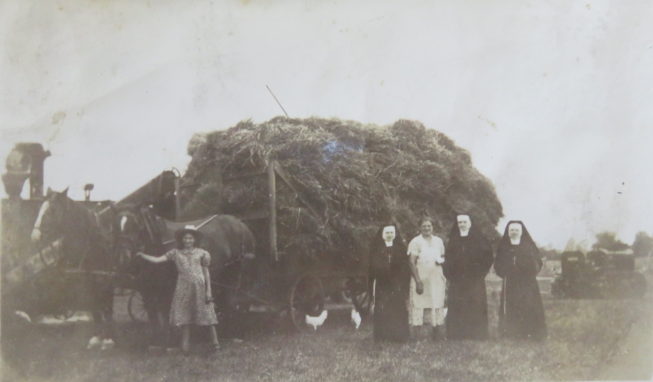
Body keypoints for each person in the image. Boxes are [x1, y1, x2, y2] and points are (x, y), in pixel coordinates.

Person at [137, 225, 220, 354]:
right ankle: (185, 346)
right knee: (184, 317)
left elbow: (206, 273)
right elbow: (158, 260)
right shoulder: (175, 253)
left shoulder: (202, 253)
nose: (188, 241)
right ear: (182, 240)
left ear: (194, 240)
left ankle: (215, 344)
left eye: (190, 238)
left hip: (200, 287)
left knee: (207, 315)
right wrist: (143, 255)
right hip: (183, 288)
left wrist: (208, 291)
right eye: (185, 238)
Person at [443, 214, 494, 340]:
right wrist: (450, 274)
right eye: (459, 222)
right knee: (458, 304)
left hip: (474, 279)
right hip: (457, 280)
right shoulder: (453, 239)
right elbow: (448, 258)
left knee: (475, 305)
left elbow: (488, 257)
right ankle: (457, 334)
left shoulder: (479, 239)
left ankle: (476, 334)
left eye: (464, 222)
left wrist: (480, 272)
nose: (462, 224)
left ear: (470, 223)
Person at [494, 220, 547, 341]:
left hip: (527, 282)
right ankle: (511, 333)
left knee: (528, 304)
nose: (514, 232)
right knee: (511, 305)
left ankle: (529, 332)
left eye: (516, 230)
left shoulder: (528, 246)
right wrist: (504, 271)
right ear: (508, 231)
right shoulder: (504, 246)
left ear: (521, 231)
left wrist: (528, 270)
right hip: (510, 282)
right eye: (511, 230)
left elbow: (537, 262)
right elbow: (498, 263)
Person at [368, 223, 410, 342]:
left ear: (395, 234)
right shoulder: (376, 249)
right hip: (383, 284)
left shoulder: (401, 248)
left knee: (397, 309)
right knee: (383, 309)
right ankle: (383, 336)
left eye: (391, 232)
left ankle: (399, 336)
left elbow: (405, 268)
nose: (389, 235)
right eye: (387, 233)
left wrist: (401, 282)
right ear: (382, 235)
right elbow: (372, 267)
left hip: (397, 284)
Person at [407, 218, 447, 340]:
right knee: (419, 304)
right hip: (421, 278)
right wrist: (418, 280)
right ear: (420, 228)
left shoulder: (438, 241)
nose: (426, 228)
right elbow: (411, 262)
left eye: (429, 226)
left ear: (432, 227)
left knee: (436, 302)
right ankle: (417, 336)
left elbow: (442, 257)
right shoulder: (415, 241)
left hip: (436, 278)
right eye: (424, 226)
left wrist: (441, 261)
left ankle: (437, 334)